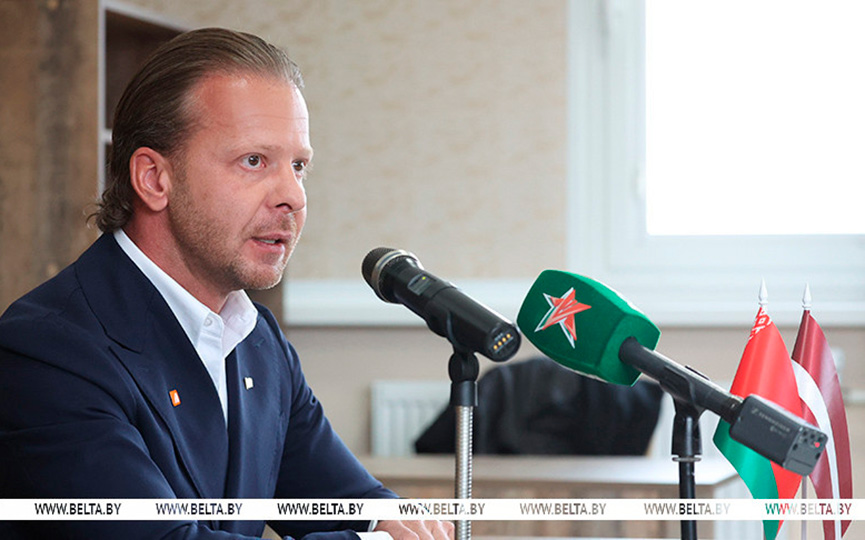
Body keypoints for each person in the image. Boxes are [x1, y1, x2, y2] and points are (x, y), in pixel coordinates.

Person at [0, 27, 454, 540]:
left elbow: (347, 501)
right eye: (254, 161)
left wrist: (395, 522)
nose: (293, 196)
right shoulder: (48, 350)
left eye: (299, 166)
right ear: (153, 179)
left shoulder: (257, 338)